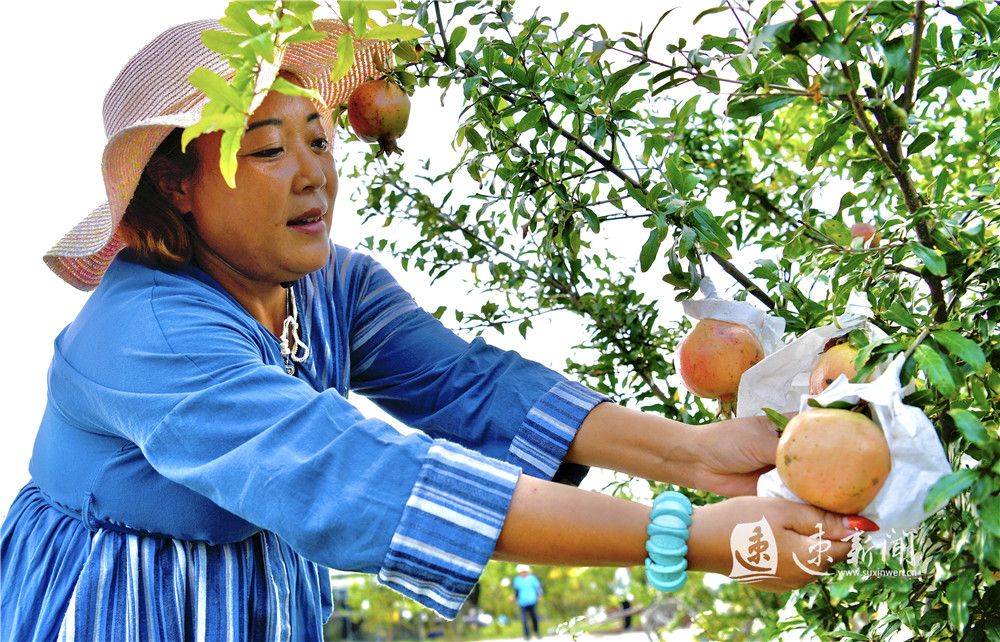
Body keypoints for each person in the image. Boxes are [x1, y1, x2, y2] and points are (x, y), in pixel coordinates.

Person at [0, 15, 874, 642]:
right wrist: (681, 537)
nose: (313, 175)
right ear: (176, 187)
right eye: (267, 150)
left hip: (263, 594)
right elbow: (350, 470)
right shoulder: (146, 329)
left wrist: (692, 452)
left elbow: (469, 385)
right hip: (114, 600)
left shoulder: (331, 283)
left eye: (320, 138)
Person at [512, 564, 543, 639]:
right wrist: (514, 598)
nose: (523, 573)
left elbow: (538, 587)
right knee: (524, 619)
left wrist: (540, 595)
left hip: (532, 601)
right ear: (519, 572)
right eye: (521, 572)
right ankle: (527, 635)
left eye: (524, 572)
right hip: (522, 602)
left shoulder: (532, 578)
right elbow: (517, 591)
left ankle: (536, 632)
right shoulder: (517, 580)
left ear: (527, 571)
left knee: (534, 617)